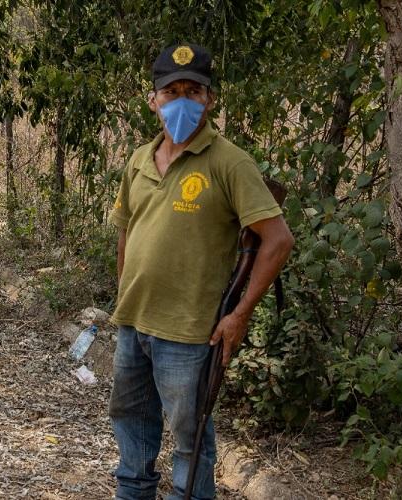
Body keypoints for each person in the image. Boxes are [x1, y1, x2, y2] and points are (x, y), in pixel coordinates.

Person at [108, 44, 295, 499]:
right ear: (153, 100)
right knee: (132, 434)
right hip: (134, 324)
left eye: (194, 91)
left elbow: (278, 240)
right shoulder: (138, 159)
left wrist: (240, 314)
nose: (182, 101)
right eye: (172, 91)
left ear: (210, 100)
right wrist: (124, 292)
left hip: (190, 333)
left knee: (190, 449)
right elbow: (127, 231)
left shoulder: (229, 162)